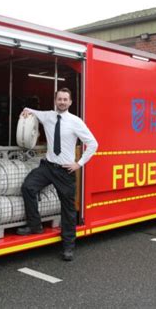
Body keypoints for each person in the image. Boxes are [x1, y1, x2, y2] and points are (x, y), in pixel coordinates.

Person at [17, 87, 98, 261]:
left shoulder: (76, 121)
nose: (62, 102)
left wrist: (79, 164)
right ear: (55, 100)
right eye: (59, 99)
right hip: (47, 167)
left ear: (70, 102)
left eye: (65, 99)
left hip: (65, 171)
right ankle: (35, 226)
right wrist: (25, 111)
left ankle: (68, 246)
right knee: (28, 187)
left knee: (68, 209)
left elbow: (93, 143)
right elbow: (30, 111)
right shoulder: (47, 116)